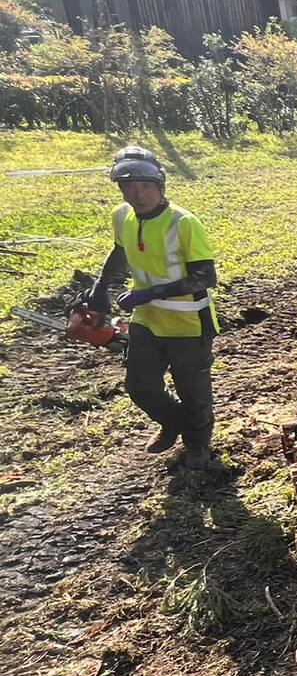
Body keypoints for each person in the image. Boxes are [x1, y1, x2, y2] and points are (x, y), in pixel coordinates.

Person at [86, 146, 220, 469]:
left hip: (189, 323)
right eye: (129, 186)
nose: (138, 193)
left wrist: (150, 293)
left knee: (194, 393)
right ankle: (174, 423)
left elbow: (205, 276)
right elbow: (120, 252)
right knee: (140, 385)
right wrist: (100, 287)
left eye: (145, 185)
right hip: (146, 319)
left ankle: (198, 446)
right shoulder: (122, 216)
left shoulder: (184, 223)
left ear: (160, 186)